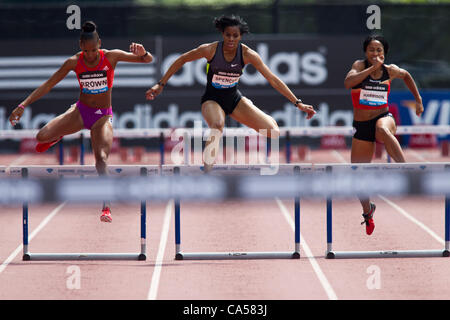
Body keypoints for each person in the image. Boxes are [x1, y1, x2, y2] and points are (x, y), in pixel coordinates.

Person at [9, 21, 153, 222]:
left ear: (99, 44)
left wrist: (143, 52)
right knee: (41, 136)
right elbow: (48, 84)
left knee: (101, 159)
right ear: (80, 47)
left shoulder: (111, 56)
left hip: (102, 117)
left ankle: (106, 206)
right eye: (87, 51)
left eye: (94, 50)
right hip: (80, 111)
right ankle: (57, 136)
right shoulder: (74, 62)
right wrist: (23, 105)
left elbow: (147, 60)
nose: (91, 55)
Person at [146, 14, 316, 171]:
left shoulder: (248, 54)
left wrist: (298, 103)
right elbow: (182, 59)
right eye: (228, 35)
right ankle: (207, 171)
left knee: (273, 132)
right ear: (223, 34)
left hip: (234, 99)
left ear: (240, 36)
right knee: (218, 125)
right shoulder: (210, 50)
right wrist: (160, 84)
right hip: (211, 99)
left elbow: (273, 79)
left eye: (235, 36)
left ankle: (248, 104)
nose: (231, 39)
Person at [344, 35, 424, 235]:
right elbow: (348, 83)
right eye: (371, 50)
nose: (375, 54)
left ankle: (406, 173)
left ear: (384, 53)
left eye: (379, 50)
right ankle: (367, 210)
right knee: (357, 176)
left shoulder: (391, 70)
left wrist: (418, 100)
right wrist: (371, 69)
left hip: (383, 116)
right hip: (362, 125)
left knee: (382, 129)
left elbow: (406, 76)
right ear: (366, 52)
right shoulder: (359, 66)